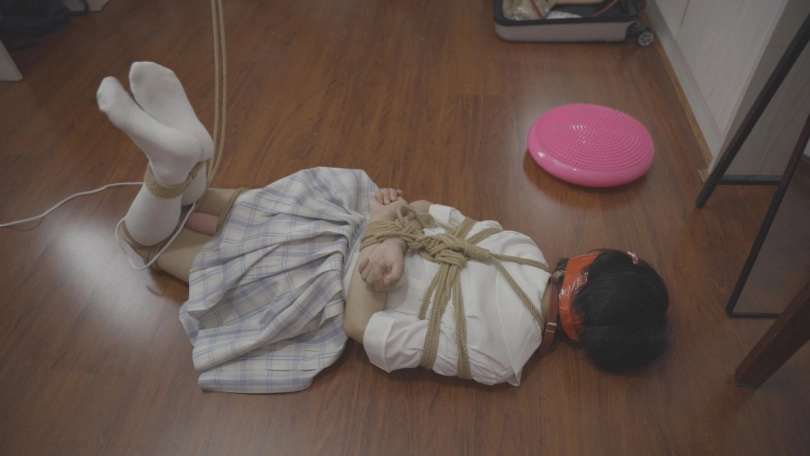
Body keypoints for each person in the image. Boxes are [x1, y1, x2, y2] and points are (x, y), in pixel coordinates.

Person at [97, 62, 669, 394]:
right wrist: (385, 241)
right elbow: (362, 325)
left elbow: (417, 212)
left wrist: (386, 231)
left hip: (333, 221)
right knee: (146, 244)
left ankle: (190, 161)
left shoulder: (524, 248)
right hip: (319, 280)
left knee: (222, 207)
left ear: (587, 265)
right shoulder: (504, 357)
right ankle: (168, 170)